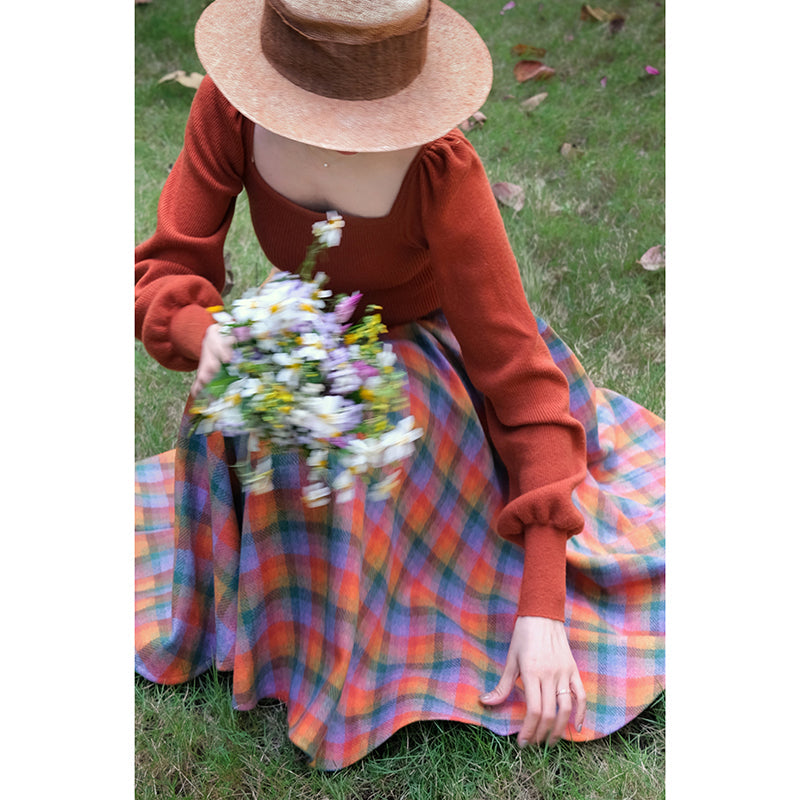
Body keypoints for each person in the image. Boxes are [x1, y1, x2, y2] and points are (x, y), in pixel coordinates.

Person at [134, 0, 665, 770]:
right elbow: (167, 266)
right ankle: (260, 616)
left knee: (356, 453)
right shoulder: (230, 111)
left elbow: (523, 388)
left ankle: (354, 630)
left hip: (428, 366)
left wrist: (542, 604)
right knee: (235, 420)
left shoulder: (441, 172)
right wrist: (202, 330)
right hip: (301, 337)